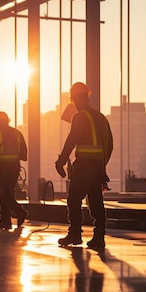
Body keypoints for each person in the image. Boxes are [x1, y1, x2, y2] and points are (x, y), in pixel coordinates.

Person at [55, 82, 113, 249]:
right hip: (97, 168)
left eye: (73, 100)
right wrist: (102, 165)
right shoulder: (101, 118)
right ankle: (99, 237)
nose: (74, 104)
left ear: (78, 98)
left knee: (73, 199)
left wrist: (60, 161)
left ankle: (75, 234)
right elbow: (109, 145)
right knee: (96, 201)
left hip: (84, 167)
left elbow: (72, 139)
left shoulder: (79, 117)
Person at [0, 111, 28, 230]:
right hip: (15, 167)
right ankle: (7, 220)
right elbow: (24, 155)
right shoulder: (17, 133)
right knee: (9, 192)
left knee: (3, 194)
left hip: (2, 167)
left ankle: (15, 214)